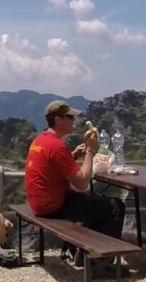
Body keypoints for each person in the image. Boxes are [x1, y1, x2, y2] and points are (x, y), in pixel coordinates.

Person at [23, 100, 125, 272]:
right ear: (58, 120)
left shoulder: (40, 141)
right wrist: (90, 152)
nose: (74, 121)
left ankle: (85, 254)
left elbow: (53, 166)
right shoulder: (57, 145)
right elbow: (82, 183)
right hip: (53, 205)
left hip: (39, 202)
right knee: (115, 207)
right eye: (70, 117)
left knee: (95, 206)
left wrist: (74, 155)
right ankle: (100, 264)